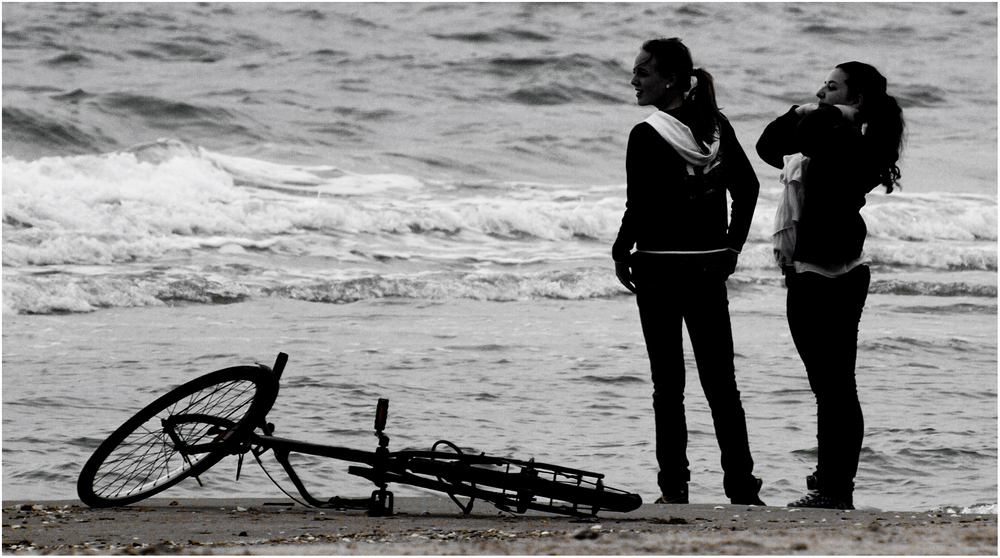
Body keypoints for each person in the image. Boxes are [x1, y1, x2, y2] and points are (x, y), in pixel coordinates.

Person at [613, 38, 763, 506]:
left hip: (657, 270)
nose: (634, 80)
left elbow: (638, 206)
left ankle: (674, 489)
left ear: (670, 79)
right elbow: (749, 187)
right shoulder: (716, 129)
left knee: (668, 386)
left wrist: (620, 251)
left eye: (642, 72)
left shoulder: (647, 133)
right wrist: (731, 246)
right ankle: (741, 487)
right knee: (721, 384)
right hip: (705, 270)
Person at [756, 62, 905, 510]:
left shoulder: (847, 139)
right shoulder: (858, 135)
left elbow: (778, 148)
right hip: (839, 269)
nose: (822, 90)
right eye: (822, 83)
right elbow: (772, 148)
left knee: (832, 387)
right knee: (838, 385)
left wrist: (815, 113)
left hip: (821, 273)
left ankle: (833, 487)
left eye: (832, 86)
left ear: (855, 99)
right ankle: (835, 482)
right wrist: (812, 111)